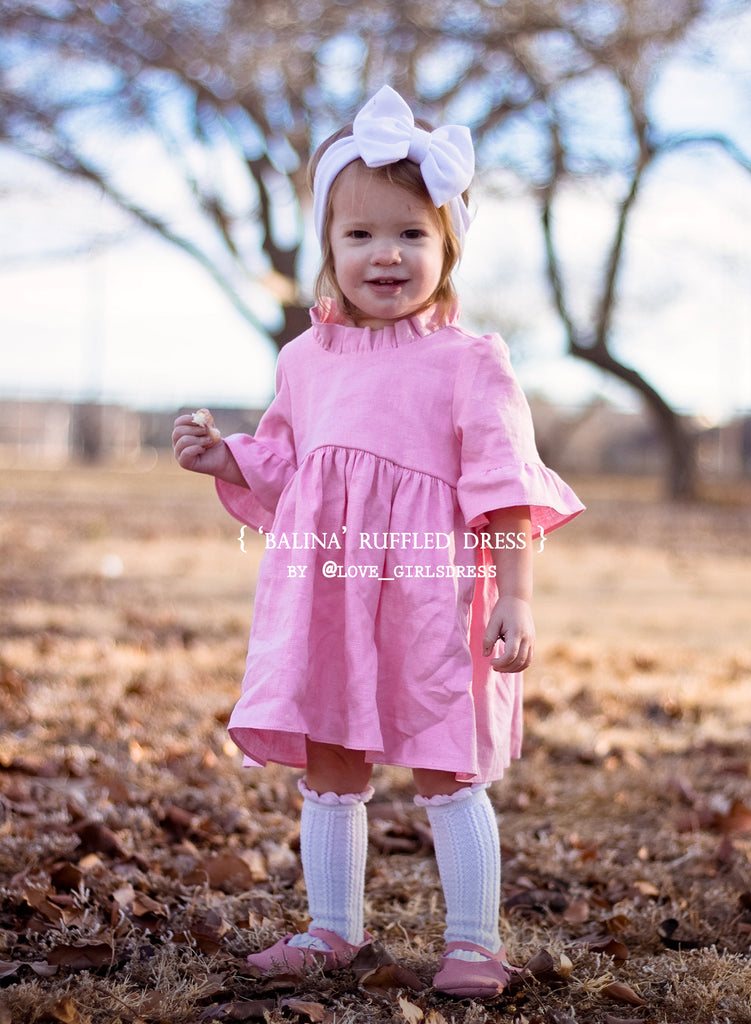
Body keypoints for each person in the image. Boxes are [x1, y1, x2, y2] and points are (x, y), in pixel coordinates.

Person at [172, 85, 584, 998]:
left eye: (410, 234)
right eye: (357, 236)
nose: (384, 254)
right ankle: (331, 930)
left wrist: (514, 598)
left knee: (447, 760)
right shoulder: (304, 360)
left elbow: (506, 491)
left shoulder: (470, 363)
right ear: (328, 248)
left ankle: (473, 942)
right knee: (330, 757)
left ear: (447, 249)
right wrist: (223, 459)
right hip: (327, 591)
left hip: (434, 596)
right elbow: (287, 464)